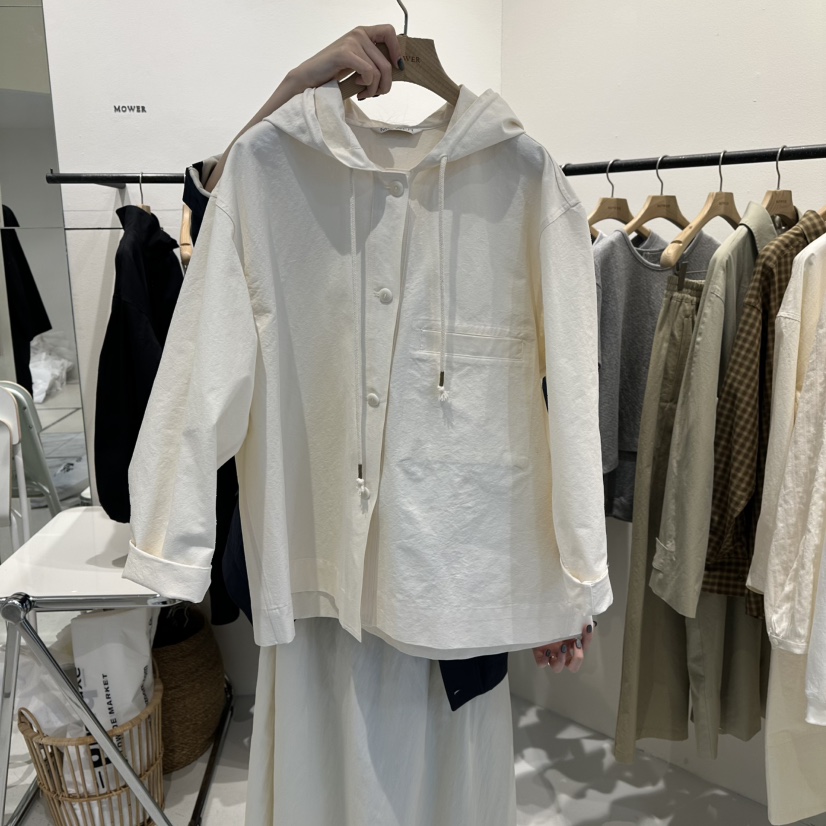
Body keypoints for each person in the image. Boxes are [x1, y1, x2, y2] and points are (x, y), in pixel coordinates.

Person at [191, 23, 597, 825]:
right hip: (317, 591)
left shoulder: (524, 181)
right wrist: (292, 91)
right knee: (323, 783)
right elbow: (204, 349)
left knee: (445, 789)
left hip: (460, 598)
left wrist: (572, 575)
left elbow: (571, 397)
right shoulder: (272, 172)